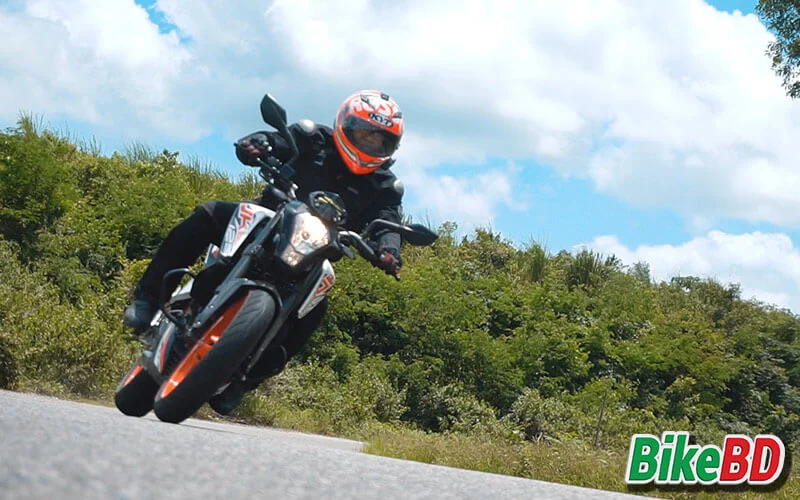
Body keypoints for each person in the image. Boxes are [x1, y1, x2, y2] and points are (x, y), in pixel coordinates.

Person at [122, 90, 407, 414]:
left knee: (315, 309)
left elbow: (388, 223)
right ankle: (146, 299)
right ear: (345, 124)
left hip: (313, 253)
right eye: (365, 133)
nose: (370, 143)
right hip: (267, 220)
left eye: (380, 140)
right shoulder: (312, 137)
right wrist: (258, 144)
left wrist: (389, 250)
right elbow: (276, 140)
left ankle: (245, 380)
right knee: (209, 214)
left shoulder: (386, 186)